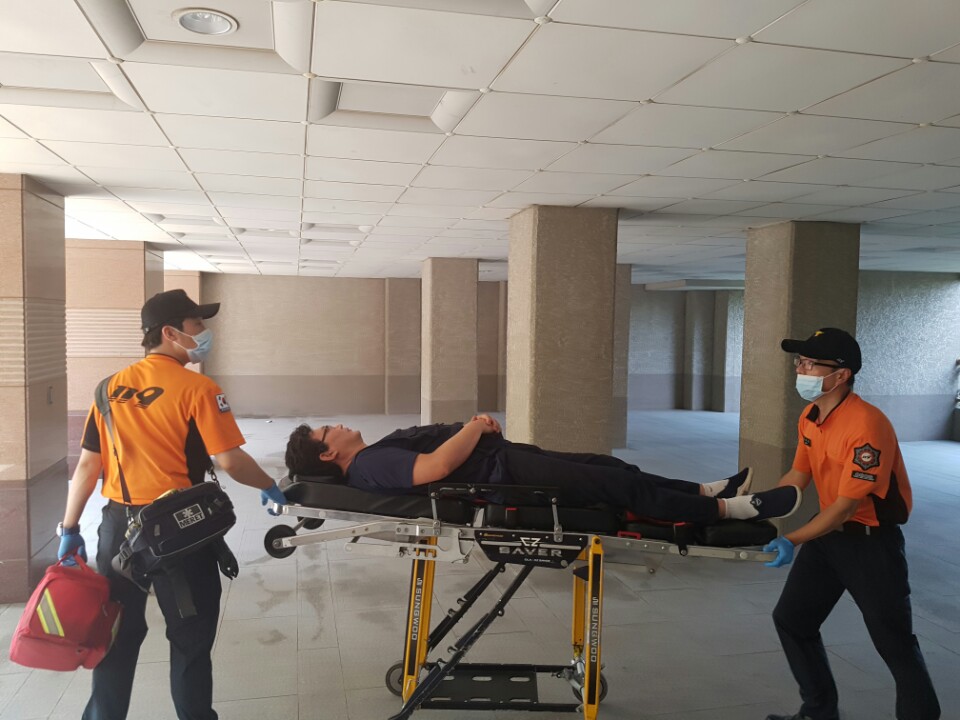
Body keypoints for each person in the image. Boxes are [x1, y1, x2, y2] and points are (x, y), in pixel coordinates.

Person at [57, 289, 289, 720]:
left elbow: (88, 465)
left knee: (116, 635)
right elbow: (229, 460)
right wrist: (269, 485)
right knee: (190, 639)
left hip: (118, 531)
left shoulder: (108, 388)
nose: (204, 332)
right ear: (170, 333)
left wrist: (70, 529)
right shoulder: (199, 388)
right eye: (197, 324)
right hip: (181, 529)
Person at [762, 328, 940, 720]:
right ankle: (819, 712)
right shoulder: (811, 416)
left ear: (841, 375)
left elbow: (845, 508)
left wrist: (791, 539)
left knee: (893, 642)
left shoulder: (866, 425)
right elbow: (798, 475)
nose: (800, 370)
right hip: (828, 537)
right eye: (799, 362)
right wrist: (755, 507)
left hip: (871, 544)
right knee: (793, 620)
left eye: (810, 364)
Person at [284, 415, 804, 525]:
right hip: (506, 476)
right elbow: (438, 465)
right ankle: (730, 510)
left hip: (503, 462)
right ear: (328, 454)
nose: (339, 424)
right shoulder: (372, 464)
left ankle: (701, 489)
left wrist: (474, 430)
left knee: (607, 466)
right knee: (614, 485)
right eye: (328, 430)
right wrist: (474, 426)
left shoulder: (369, 458)